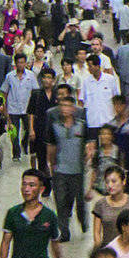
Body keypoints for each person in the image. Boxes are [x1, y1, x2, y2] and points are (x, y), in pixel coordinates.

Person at [46, 94, 89, 241]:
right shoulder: (55, 126)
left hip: (77, 171)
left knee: (79, 202)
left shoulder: (81, 125)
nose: (64, 109)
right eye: (62, 106)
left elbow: (88, 145)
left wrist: (88, 157)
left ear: (73, 108)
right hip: (61, 170)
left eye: (67, 106)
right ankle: (64, 233)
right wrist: (52, 165)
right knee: (60, 202)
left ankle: (83, 220)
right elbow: (51, 147)